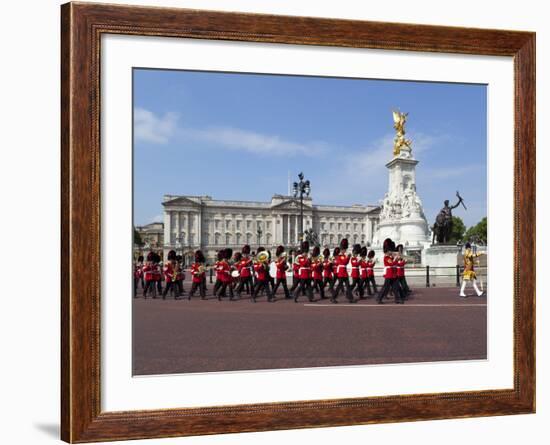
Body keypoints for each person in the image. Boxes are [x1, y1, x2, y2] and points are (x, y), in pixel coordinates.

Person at [377, 239, 404, 304]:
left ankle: (397, 299)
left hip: (393, 274)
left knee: (396, 287)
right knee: (385, 287)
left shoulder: (390, 257)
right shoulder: (386, 257)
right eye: (390, 251)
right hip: (389, 274)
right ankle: (379, 298)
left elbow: (395, 264)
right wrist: (395, 258)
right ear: (387, 251)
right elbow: (391, 263)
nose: (391, 252)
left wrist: (397, 259)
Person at [331, 238, 355, 304]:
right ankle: (333, 298)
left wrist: (348, 257)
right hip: (341, 273)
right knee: (339, 287)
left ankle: (350, 298)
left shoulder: (344, 256)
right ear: (342, 249)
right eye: (344, 249)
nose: (345, 250)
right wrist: (348, 257)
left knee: (348, 286)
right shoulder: (339, 256)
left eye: (345, 249)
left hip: (345, 272)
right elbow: (343, 262)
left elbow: (346, 263)